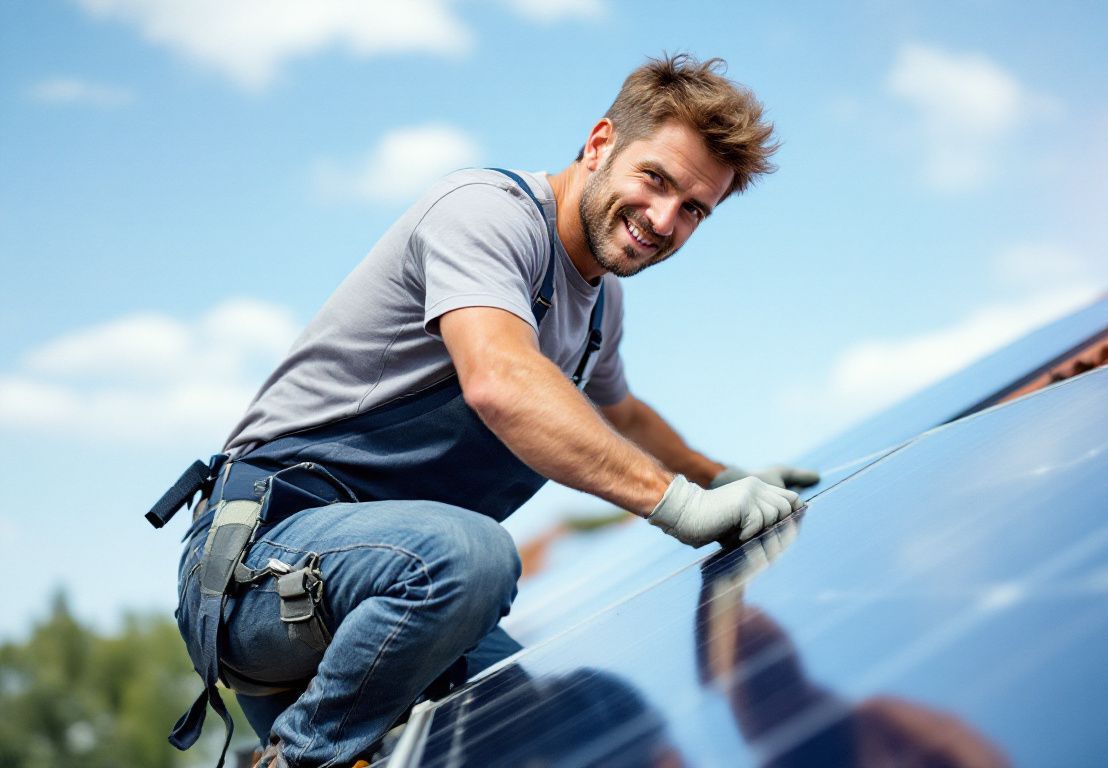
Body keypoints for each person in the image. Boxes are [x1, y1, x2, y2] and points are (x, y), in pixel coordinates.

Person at [149, 53, 819, 768]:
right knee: (470, 556)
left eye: (693, 209)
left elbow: (622, 414)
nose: (663, 219)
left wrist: (723, 478)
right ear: (600, 145)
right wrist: (679, 505)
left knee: (572, 729)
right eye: (656, 180)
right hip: (263, 565)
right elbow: (501, 379)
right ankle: (299, 761)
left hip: (390, 598)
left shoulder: (600, 306)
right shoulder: (487, 214)